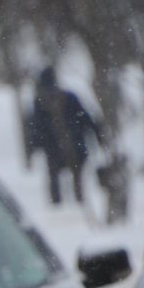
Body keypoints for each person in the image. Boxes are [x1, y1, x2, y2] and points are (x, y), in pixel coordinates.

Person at [26, 67, 101, 206]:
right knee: (77, 178)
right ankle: (80, 202)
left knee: (54, 180)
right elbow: (86, 119)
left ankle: (57, 206)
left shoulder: (40, 101)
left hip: (53, 150)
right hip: (75, 145)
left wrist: (34, 148)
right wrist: (98, 137)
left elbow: (36, 128)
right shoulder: (69, 97)